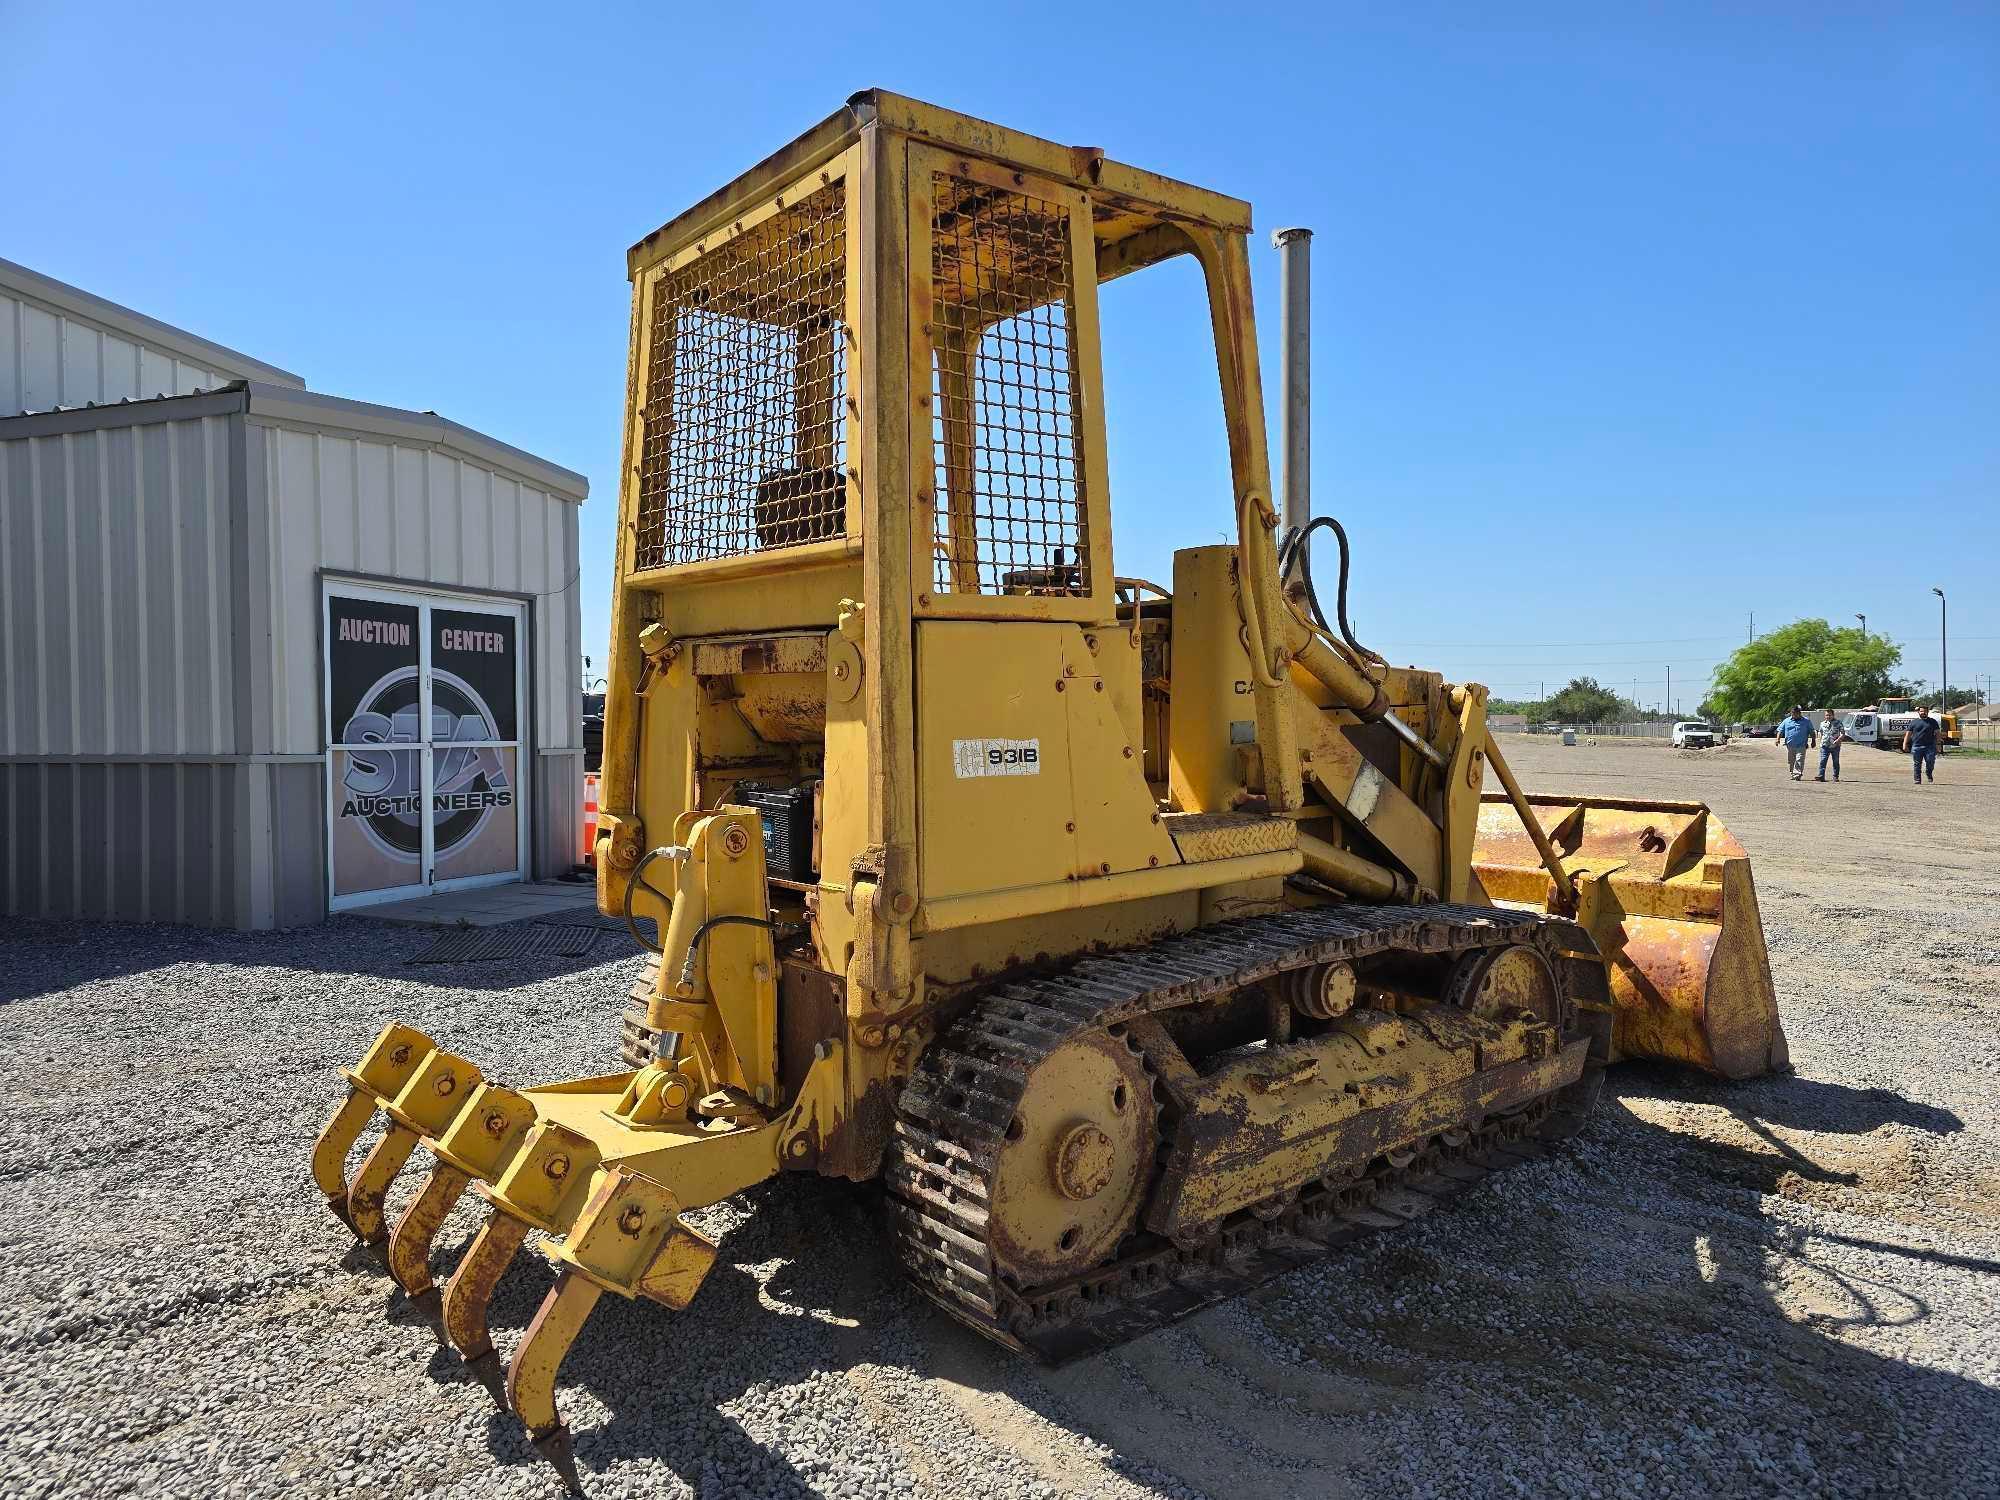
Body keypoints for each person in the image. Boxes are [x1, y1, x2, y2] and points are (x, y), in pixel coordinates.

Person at [1903, 704, 1939, 785]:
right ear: (1918, 712)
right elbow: (1908, 734)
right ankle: (1917, 779)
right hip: (1917, 746)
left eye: (1925, 711)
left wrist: (1938, 744)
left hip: (1929, 746)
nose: (1923, 713)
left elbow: (1937, 734)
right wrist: (1904, 744)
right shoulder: (1914, 722)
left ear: (1928, 712)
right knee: (1917, 763)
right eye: (1922, 711)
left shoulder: (1933, 722)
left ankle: (1929, 773)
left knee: (1930, 762)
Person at [1777, 705, 1814, 780]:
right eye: (1792, 713)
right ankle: (1792, 773)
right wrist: (1777, 739)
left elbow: (1811, 731)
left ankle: (1797, 774)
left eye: (1795, 713)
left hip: (1801, 745)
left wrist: (1813, 741)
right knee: (1791, 760)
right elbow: (1780, 730)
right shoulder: (1786, 721)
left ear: (1799, 713)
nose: (1794, 715)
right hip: (1790, 745)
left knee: (1799, 759)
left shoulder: (1806, 721)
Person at [1814, 708, 1847, 782]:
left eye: (1829, 715)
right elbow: (1820, 732)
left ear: (1833, 715)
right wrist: (1820, 741)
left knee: (1835, 761)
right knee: (1823, 761)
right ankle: (1821, 776)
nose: (1828, 716)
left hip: (1835, 746)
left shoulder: (1838, 723)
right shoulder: (1822, 723)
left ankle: (1835, 776)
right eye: (1826, 715)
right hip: (1825, 745)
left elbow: (1843, 733)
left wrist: (1838, 740)